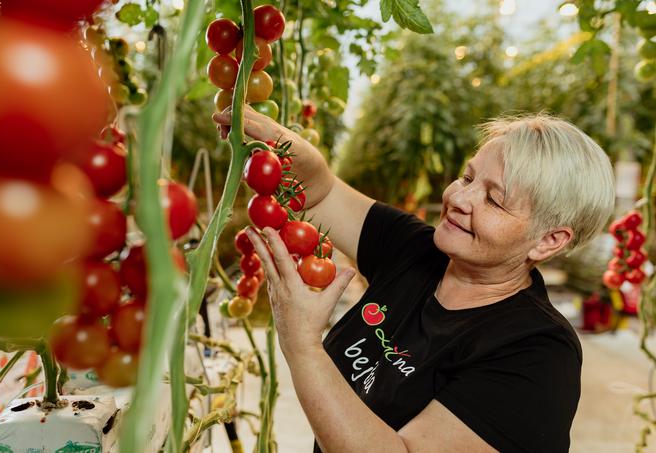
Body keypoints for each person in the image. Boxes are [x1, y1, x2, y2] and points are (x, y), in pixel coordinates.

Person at [212, 107, 615, 452]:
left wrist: (301, 344)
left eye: (494, 199)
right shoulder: (417, 250)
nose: (459, 198)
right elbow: (319, 195)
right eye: (468, 177)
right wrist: (306, 164)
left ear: (548, 241)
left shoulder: (537, 355)